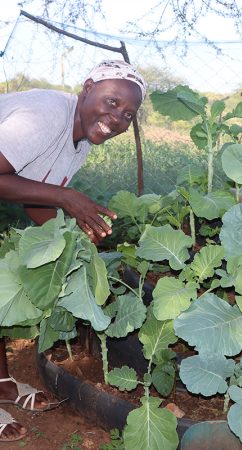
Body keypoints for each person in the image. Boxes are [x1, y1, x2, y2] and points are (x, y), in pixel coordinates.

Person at [0, 60, 146, 441]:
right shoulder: (48, 116)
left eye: (128, 114)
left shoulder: (80, 140)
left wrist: (70, 240)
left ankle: (1, 382)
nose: (117, 118)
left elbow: (31, 193)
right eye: (112, 102)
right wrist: (67, 199)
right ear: (87, 88)